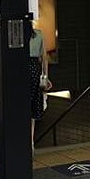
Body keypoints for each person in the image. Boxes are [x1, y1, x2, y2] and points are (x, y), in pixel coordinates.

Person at [28, 21, 50, 152]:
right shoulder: (38, 34)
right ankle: (30, 142)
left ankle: (23, 140)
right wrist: (45, 77)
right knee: (33, 108)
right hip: (35, 72)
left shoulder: (17, 35)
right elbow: (44, 58)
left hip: (21, 72)